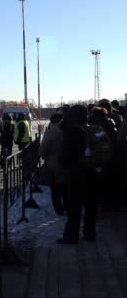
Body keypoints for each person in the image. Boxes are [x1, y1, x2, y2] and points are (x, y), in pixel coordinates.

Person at [58, 105, 97, 244]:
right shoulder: (90, 128)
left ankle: (71, 236)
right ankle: (90, 233)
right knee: (91, 205)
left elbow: (64, 156)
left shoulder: (72, 131)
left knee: (74, 207)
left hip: (76, 174)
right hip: (92, 172)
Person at [40, 110, 69, 215]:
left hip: (54, 166)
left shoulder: (50, 132)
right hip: (68, 165)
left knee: (55, 189)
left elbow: (42, 152)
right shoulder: (70, 130)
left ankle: (59, 209)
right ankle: (68, 207)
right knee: (67, 188)